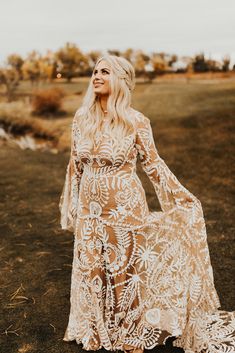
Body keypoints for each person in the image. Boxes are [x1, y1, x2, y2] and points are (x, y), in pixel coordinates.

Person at [59, 54, 235, 353]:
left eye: (106, 72)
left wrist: (181, 196)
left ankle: (131, 336)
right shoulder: (82, 118)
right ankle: (99, 329)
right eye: (95, 71)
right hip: (91, 210)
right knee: (94, 270)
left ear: (121, 81)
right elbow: (74, 165)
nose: (97, 76)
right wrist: (72, 202)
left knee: (126, 274)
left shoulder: (136, 121)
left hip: (125, 207)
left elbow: (153, 165)